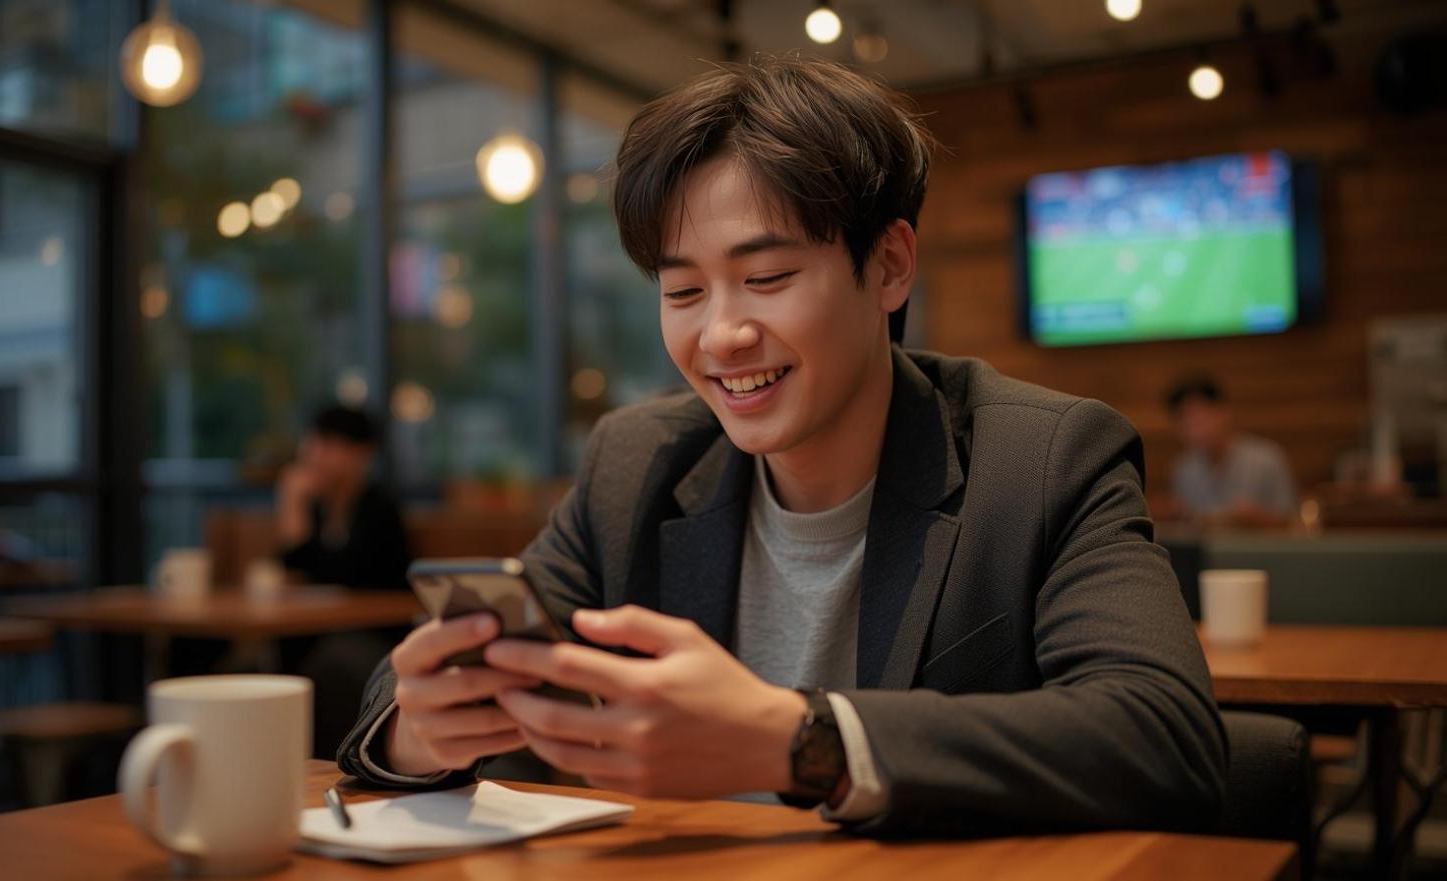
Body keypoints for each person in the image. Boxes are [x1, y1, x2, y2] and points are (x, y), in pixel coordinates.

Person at [336, 56, 1225, 836]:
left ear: (888, 265)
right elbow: (407, 694)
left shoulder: (1043, 460)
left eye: (766, 278)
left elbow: (1165, 740)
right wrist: (424, 724)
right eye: (683, 293)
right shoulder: (636, 463)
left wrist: (794, 741)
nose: (721, 335)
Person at [277, 405, 411, 589]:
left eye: (328, 444)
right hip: (323, 616)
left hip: (375, 616)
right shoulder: (316, 509)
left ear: (363, 453)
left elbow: (343, 577)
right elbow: (294, 572)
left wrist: (295, 507)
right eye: (312, 443)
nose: (315, 455)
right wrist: (293, 505)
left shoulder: (379, 509)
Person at [1165, 375, 1298, 528]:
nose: (1193, 427)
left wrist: (1257, 519)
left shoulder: (1267, 459)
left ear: (1224, 412)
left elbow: (1292, 523)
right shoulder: (1184, 468)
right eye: (1183, 419)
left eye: (1199, 416)